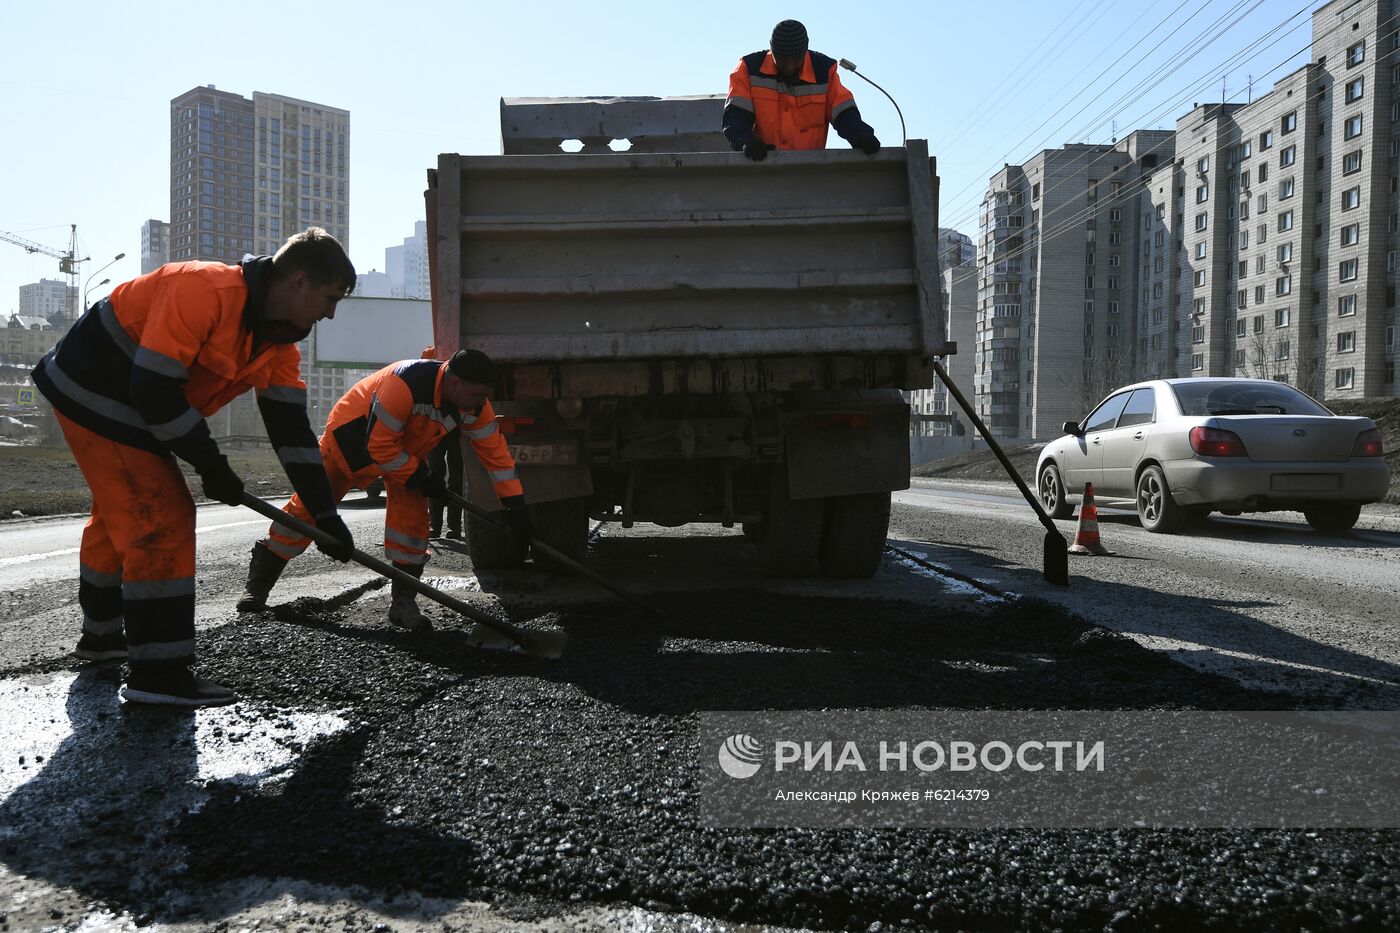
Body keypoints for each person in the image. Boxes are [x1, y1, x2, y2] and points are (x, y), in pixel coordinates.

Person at [31, 227, 357, 707]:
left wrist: (325, 516)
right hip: (95, 387)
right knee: (161, 516)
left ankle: (102, 639)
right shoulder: (203, 289)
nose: (329, 313)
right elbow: (155, 389)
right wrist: (213, 465)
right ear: (299, 282)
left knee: (120, 517)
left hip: (137, 405)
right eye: (330, 299)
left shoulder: (276, 347)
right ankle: (158, 674)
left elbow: (293, 439)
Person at [237, 349, 532, 631]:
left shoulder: (473, 404)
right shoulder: (404, 384)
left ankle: (403, 605)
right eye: (477, 394)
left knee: (412, 527)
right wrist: (421, 474)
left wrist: (515, 505)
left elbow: (497, 457)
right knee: (305, 513)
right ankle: (257, 589)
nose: (482, 402)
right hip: (348, 445)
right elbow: (379, 446)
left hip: (403, 455)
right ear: (455, 383)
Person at [723, 18, 880, 160]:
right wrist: (746, 142)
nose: (789, 67)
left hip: (809, 172)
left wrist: (861, 135)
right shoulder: (748, 69)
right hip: (764, 167)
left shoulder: (824, 72)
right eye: (783, 61)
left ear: (805, 52)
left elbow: (844, 114)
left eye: (796, 60)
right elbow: (736, 116)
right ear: (773, 52)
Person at [420, 346, 465, 539]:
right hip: (439, 426)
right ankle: (437, 525)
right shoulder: (430, 353)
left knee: (455, 476)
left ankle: (452, 526)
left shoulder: (436, 353)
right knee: (437, 475)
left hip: (455, 426)